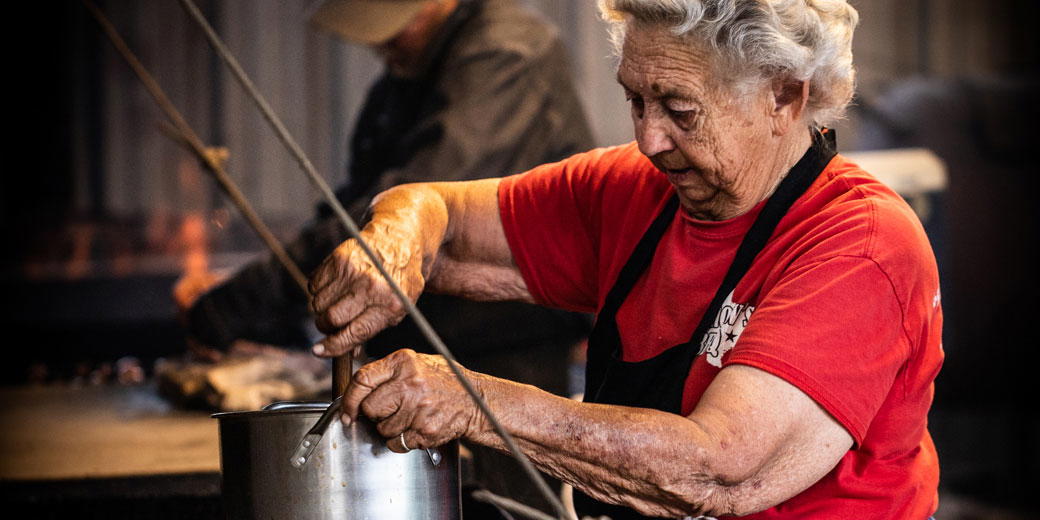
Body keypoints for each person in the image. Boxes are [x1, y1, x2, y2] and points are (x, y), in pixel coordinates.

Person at [307, 0, 944, 518]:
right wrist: (393, 240)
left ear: (783, 96)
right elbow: (436, 211)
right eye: (636, 100)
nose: (648, 139)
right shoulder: (635, 189)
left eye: (680, 110)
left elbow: (717, 469)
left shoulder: (859, 242)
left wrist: (474, 400)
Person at [180, 0, 593, 512]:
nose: (379, 43)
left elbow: (396, 215)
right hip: (421, 350)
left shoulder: (505, 55)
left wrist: (237, 303)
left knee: (512, 509)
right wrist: (255, 303)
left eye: (394, 24)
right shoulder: (405, 78)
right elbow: (351, 207)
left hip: (505, 350)